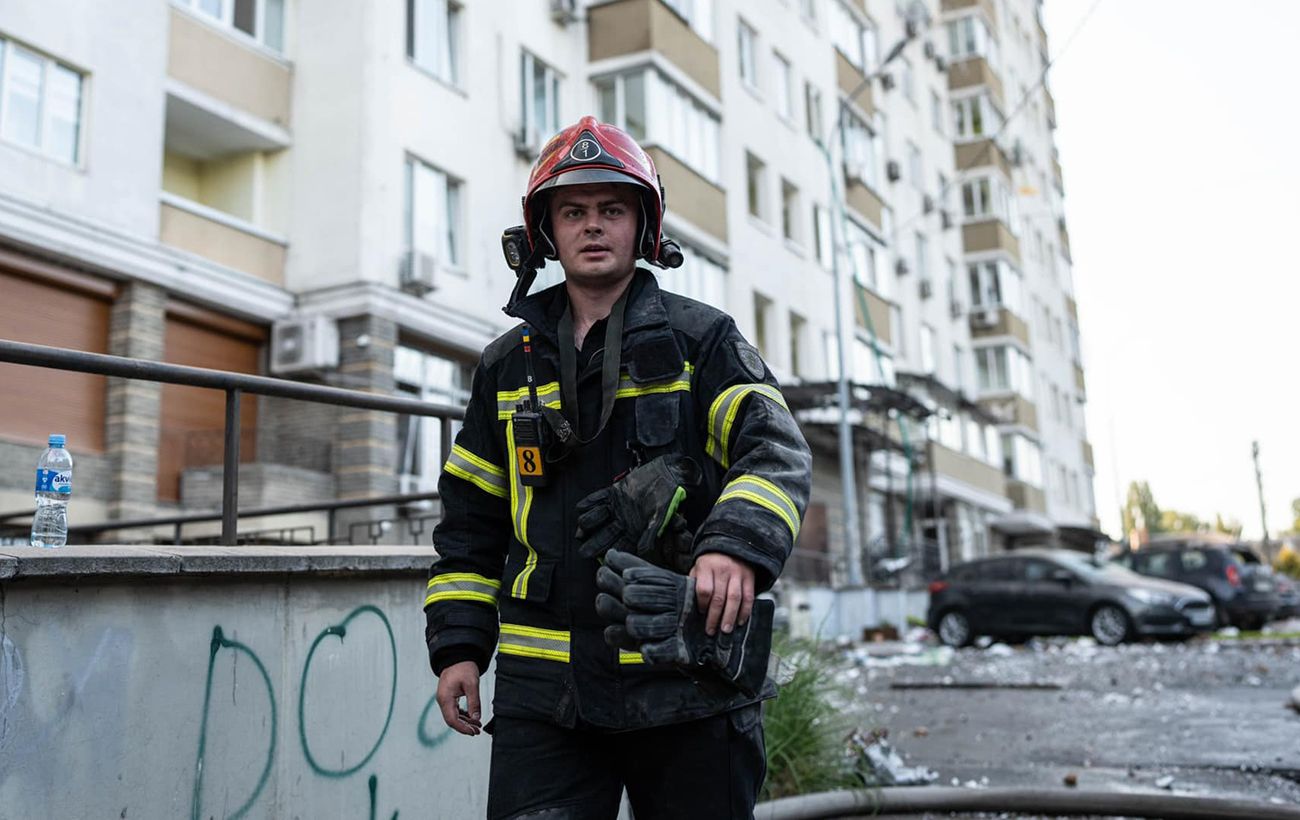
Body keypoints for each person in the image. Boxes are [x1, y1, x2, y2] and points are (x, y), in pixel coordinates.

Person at [423, 116, 812, 820]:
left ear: (643, 226)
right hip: (548, 702)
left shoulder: (702, 341)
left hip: (688, 682)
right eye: (573, 212)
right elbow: (470, 524)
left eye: (612, 209)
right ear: (546, 231)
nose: (593, 226)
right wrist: (458, 647)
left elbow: (775, 450)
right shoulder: (507, 366)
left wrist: (733, 546)